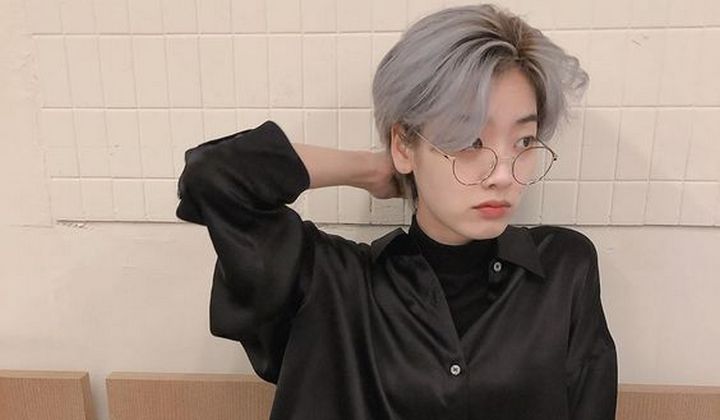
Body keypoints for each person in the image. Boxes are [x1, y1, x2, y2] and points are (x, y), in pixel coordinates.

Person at [175, 4, 618, 420]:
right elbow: (214, 176)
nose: (503, 174)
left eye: (523, 141)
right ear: (405, 144)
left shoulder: (563, 269)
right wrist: (372, 168)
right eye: (470, 141)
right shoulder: (330, 284)